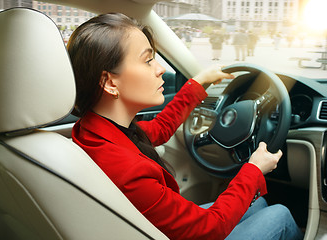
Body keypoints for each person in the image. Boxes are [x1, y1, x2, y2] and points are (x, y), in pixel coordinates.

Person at [67, 13, 303, 240]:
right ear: (109, 82)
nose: (160, 69)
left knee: (258, 202)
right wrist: (253, 169)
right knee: (280, 214)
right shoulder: (128, 172)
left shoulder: (94, 130)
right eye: (148, 60)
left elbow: (158, 129)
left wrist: (198, 83)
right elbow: (210, 229)